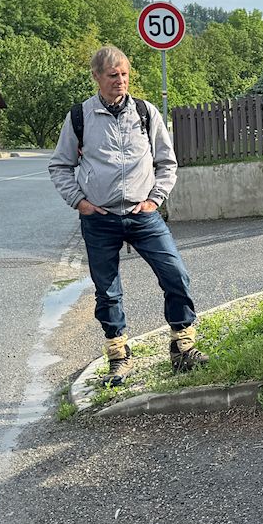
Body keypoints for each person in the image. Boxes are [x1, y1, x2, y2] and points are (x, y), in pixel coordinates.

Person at [49, 46, 208, 380]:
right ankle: (118, 355)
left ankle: (182, 346)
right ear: (96, 77)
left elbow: (167, 162)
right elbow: (61, 165)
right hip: (99, 218)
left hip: (143, 214)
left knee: (175, 274)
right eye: (112, 75)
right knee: (108, 291)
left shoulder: (145, 112)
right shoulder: (80, 116)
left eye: (124, 74)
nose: (120, 81)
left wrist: (154, 199)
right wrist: (80, 202)